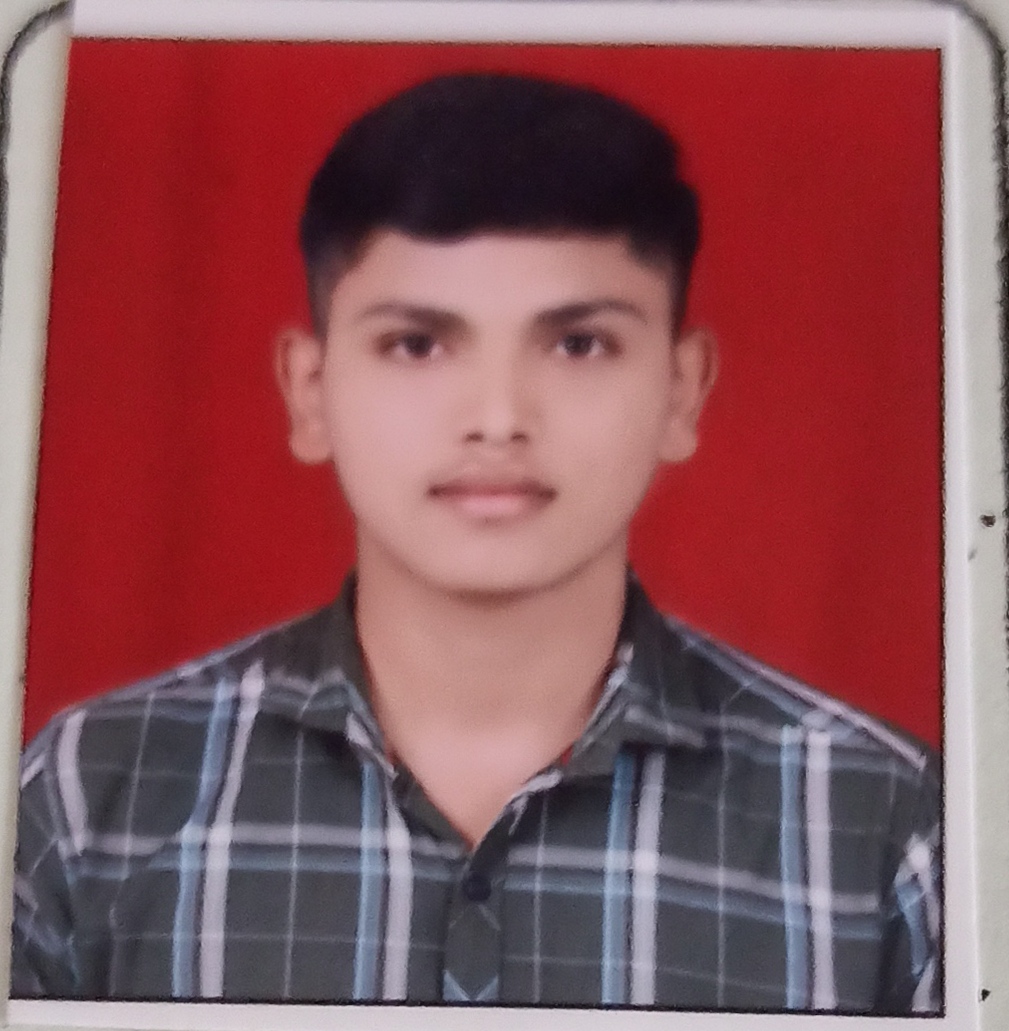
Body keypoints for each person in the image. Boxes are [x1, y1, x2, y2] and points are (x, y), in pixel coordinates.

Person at [11, 71, 941, 1011]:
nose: (497, 418)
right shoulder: (91, 802)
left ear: (681, 390)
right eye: (417, 344)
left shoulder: (882, 828)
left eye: (577, 344)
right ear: (310, 391)